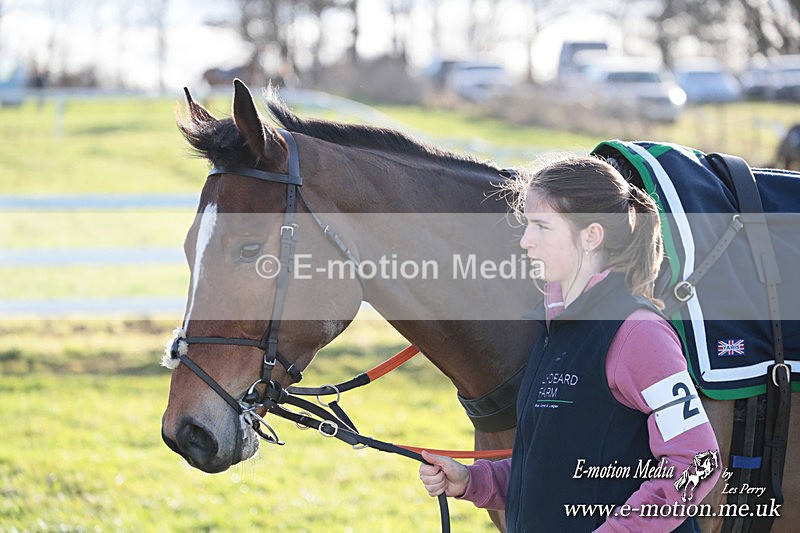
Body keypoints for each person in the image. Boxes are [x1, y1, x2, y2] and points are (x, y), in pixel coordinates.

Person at [419, 156, 720, 532]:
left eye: (542, 227)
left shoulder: (639, 334)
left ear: (591, 236)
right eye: (528, 225)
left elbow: (696, 461)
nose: (526, 241)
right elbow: (551, 466)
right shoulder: (554, 330)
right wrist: (472, 480)